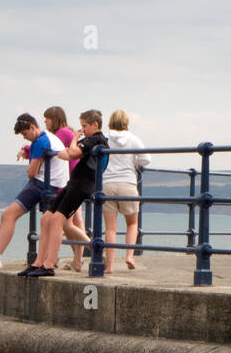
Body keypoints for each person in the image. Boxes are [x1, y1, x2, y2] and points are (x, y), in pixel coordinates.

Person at [0, 113, 69, 275]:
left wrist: (29, 160)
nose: (25, 138)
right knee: (10, 216)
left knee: (9, 215)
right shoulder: (47, 137)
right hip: (55, 184)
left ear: (32, 127)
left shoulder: (40, 141)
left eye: (25, 134)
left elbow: (31, 172)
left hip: (44, 184)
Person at [18, 110, 107, 276]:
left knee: (58, 219)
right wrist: (66, 150)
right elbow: (66, 154)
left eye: (85, 126)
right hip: (73, 183)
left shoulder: (97, 139)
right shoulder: (88, 140)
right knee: (47, 218)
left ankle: (49, 265)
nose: (82, 130)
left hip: (82, 186)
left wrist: (73, 140)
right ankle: (38, 262)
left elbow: (71, 153)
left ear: (95, 124)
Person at [102, 110, 152, 272]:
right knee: (132, 223)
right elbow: (147, 159)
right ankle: (129, 256)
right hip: (128, 184)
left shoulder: (105, 138)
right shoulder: (132, 139)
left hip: (107, 184)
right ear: (126, 122)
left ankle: (109, 266)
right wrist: (135, 162)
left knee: (110, 228)